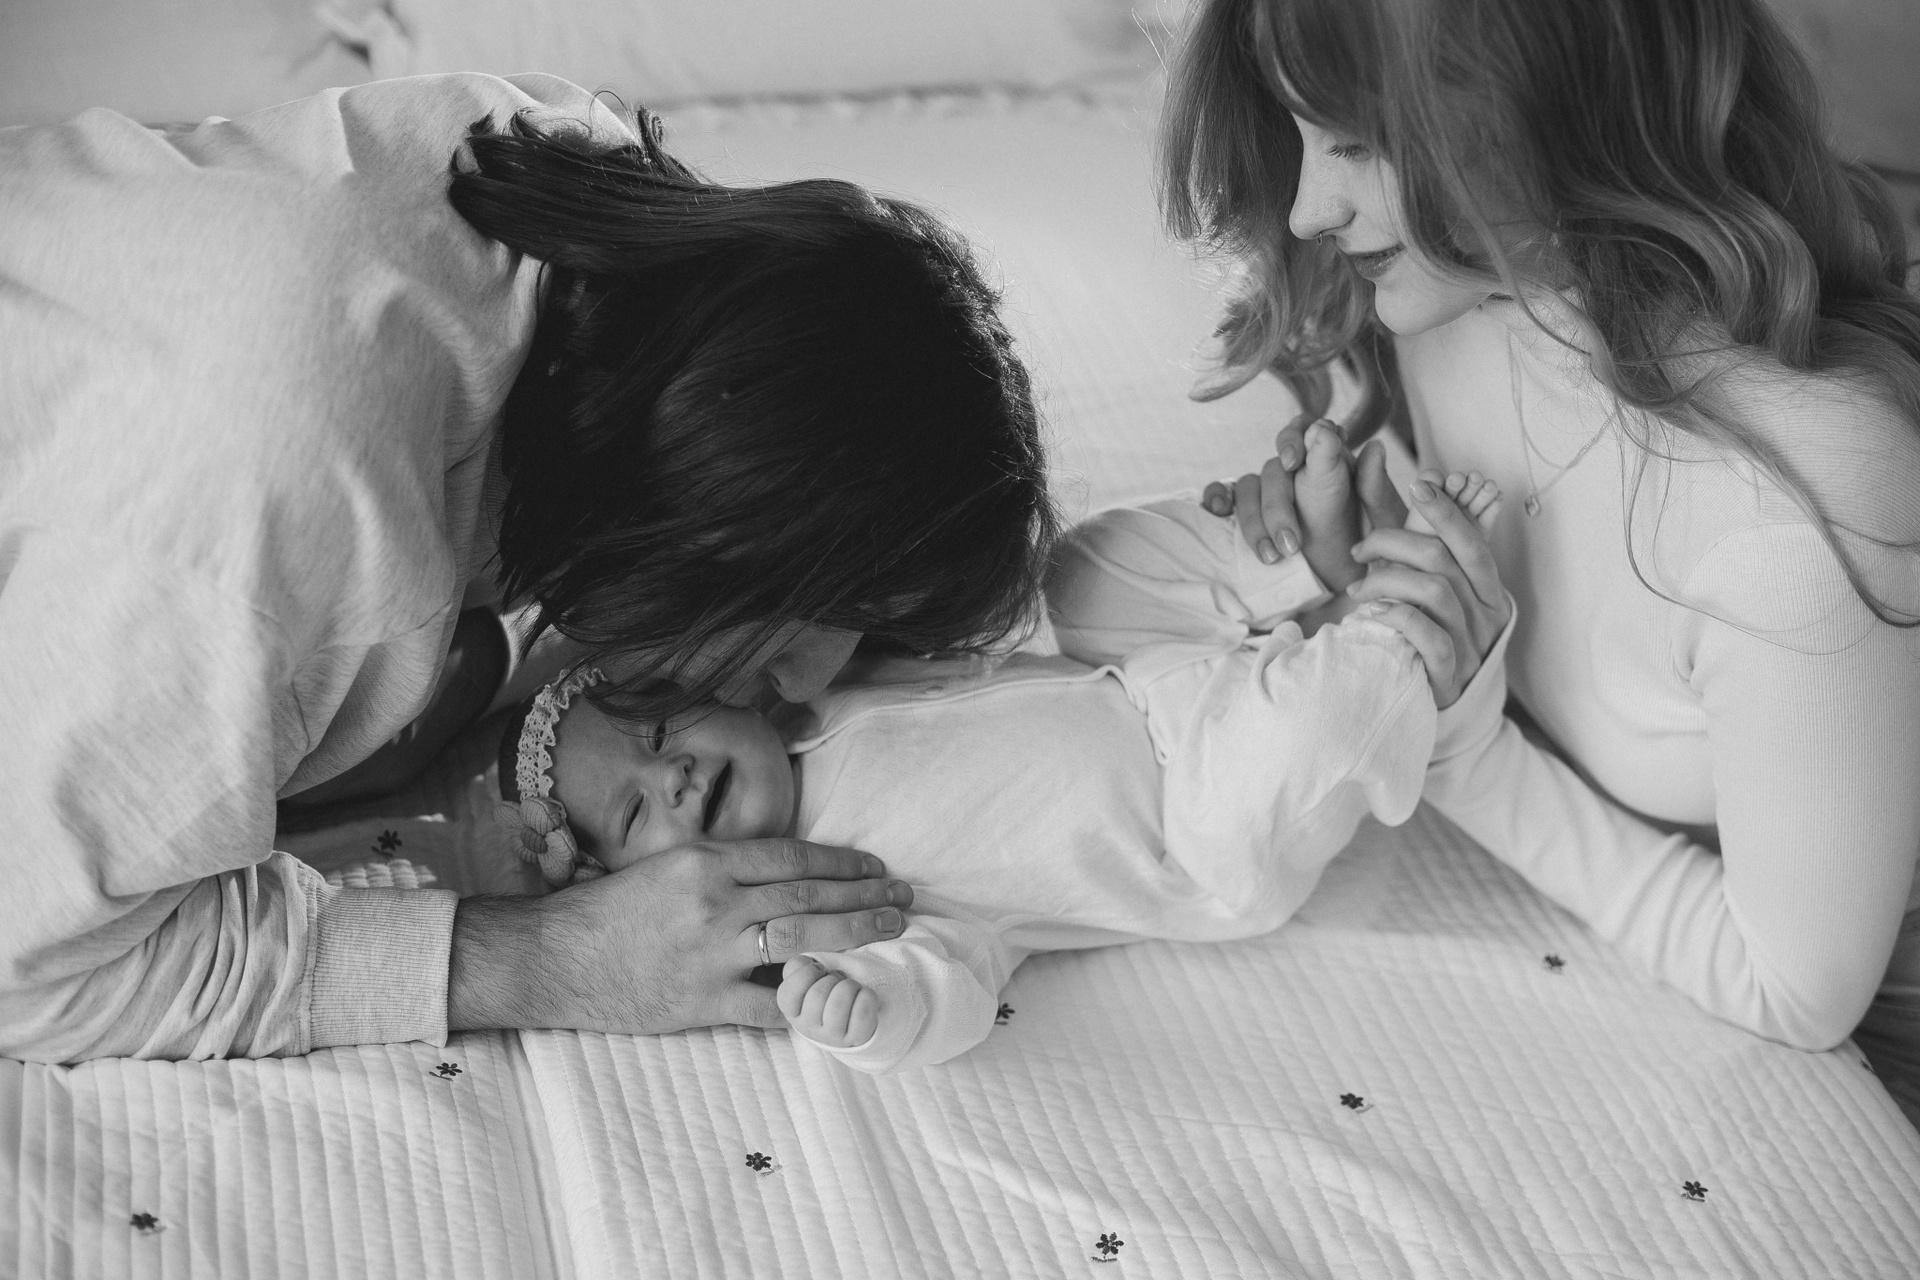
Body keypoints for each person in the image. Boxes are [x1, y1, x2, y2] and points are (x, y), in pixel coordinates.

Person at [0, 72, 1056, 1062]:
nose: (813, 684)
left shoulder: (579, 185)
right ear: (733, 493)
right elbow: (28, 964)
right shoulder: (294, 508)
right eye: (832, 605)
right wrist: (546, 957)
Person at [1158, 0, 1920, 1119]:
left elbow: (1798, 994)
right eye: (1298, 131)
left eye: (1358, 141)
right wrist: (1334, 573)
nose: (1309, 207)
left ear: (1545, 95)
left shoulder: (1791, 504)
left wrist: (1465, 748)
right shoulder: (1461, 296)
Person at [494, 448, 1501, 1074]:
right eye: (635, 814)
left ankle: (1301, 556)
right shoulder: (833, 897)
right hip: (1194, 827)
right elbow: (950, 982)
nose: (670, 775)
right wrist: (875, 1013)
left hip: (1146, 677)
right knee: (1311, 732)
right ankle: (1402, 632)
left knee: (1079, 571)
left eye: (662, 733)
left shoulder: (823, 685)